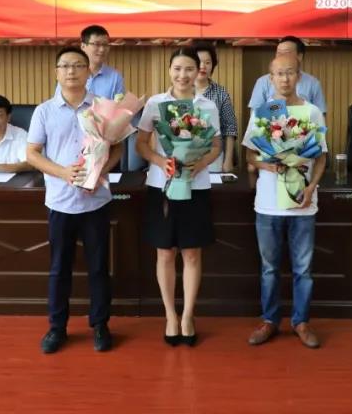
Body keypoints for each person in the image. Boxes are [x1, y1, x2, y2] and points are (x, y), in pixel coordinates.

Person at [28, 46, 124, 355]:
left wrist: (99, 171)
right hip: (60, 201)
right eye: (65, 66)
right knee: (59, 268)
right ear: (56, 72)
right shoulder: (44, 111)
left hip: (95, 201)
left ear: (88, 71)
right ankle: (57, 327)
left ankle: (100, 325)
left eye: (78, 65)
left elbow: (118, 148)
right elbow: (31, 153)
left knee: (98, 267)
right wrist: (63, 173)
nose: (71, 71)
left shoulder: (102, 108)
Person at [136, 48, 221, 347]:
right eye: (177, 68)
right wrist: (161, 162)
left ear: (198, 71)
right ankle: (170, 315)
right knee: (165, 253)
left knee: (192, 253)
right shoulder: (155, 103)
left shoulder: (207, 106)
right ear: (169, 70)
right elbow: (141, 144)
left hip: (196, 186)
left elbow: (216, 145)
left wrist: (201, 163)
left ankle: (187, 316)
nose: (182, 75)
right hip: (162, 186)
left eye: (189, 69)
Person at [243, 55, 327, 349]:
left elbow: (321, 156)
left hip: (303, 202)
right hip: (268, 203)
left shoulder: (312, 112)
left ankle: (301, 322)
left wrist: (312, 186)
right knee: (269, 268)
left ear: (298, 76)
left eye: (290, 73)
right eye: (279, 74)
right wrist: (266, 164)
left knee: (303, 269)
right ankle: (269, 320)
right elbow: (250, 154)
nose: (285, 79)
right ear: (271, 79)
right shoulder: (264, 112)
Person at [247, 36, 326, 115]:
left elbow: (320, 114)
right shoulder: (263, 82)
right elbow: (256, 114)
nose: (285, 80)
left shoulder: (313, 83)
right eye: (278, 53)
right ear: (271, 79)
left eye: (286, 53)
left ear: (300, 56)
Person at [193, 41, 238, 173]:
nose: (203, 66)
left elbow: (230, 128)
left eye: (207, 62)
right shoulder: (181, 92)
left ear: (213, 66)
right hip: (187, 159)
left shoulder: (221, 93)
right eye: (199, 62)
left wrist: (228, 161)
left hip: (214, 158)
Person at [78, 24, 126, 99]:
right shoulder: (71, 74)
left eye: (105, 44)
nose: (102, 49)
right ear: (83, 46)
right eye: (96, 44)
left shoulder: (115, 77)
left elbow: (119, 105)